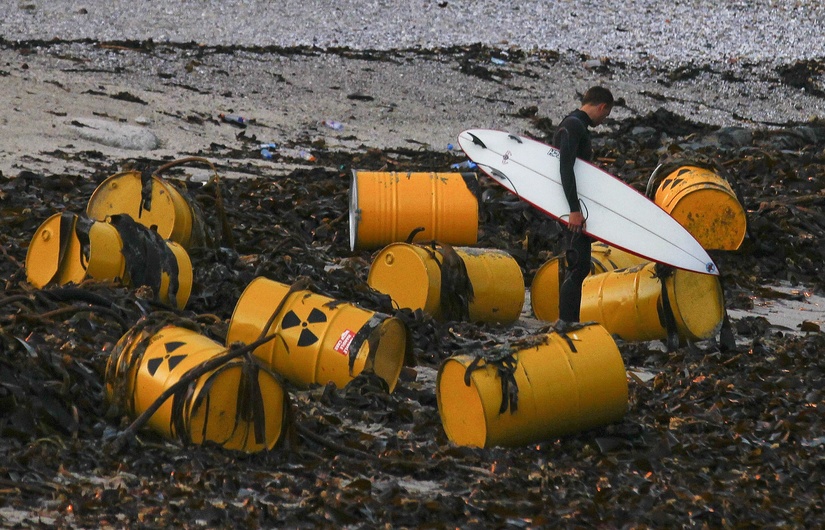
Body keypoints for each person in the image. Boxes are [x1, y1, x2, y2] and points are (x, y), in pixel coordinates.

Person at [553, 86, 614, 322]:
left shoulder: (575, 125)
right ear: (602, 106)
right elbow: (565, 167)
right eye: (606, 115)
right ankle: (566, 323)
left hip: (572, 205)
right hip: (571, 208)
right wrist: (574, 210)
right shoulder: (573, 125)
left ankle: (568, 320)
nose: (604, 119)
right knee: (578, 265)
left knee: (579, 264)